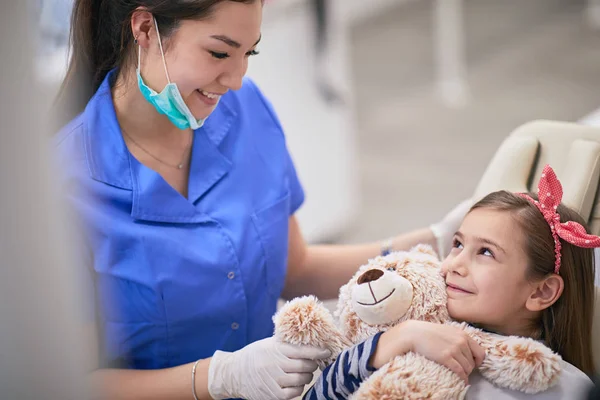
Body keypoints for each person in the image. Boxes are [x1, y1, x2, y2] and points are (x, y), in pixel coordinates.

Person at [52, 1, 470, 399]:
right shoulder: (63, 185)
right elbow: (68, 384)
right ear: (145, 29)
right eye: (219, 53)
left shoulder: (244, 110)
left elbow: (295, 268)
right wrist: (218, 378)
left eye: (249, 52)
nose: (235, 79)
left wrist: (438, 241)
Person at [305, 165, 596, 400]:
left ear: (542, 291)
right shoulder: (404, 339)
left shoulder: (566, 388)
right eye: (457, 243)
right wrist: (394, 341)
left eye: (485, 252)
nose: (454, 264)